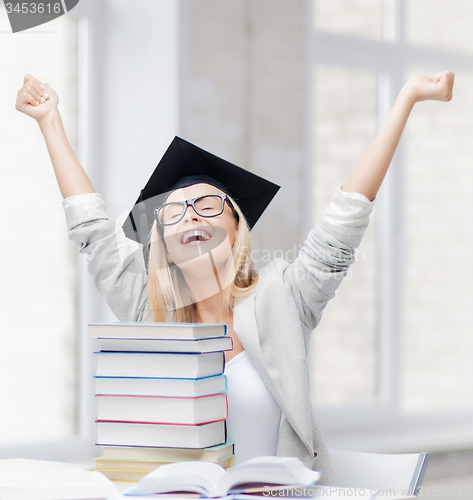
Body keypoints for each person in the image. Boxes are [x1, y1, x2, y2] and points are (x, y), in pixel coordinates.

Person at [15, 70, 454, 484]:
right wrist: (50, 121)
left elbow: (344, 222)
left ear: (235, 226)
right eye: (174, 211)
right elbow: (93, 233)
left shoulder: (283, 297)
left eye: (208, 204)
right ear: (162, 243)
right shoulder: (147, 310)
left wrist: (406, 99)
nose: (191, 215)